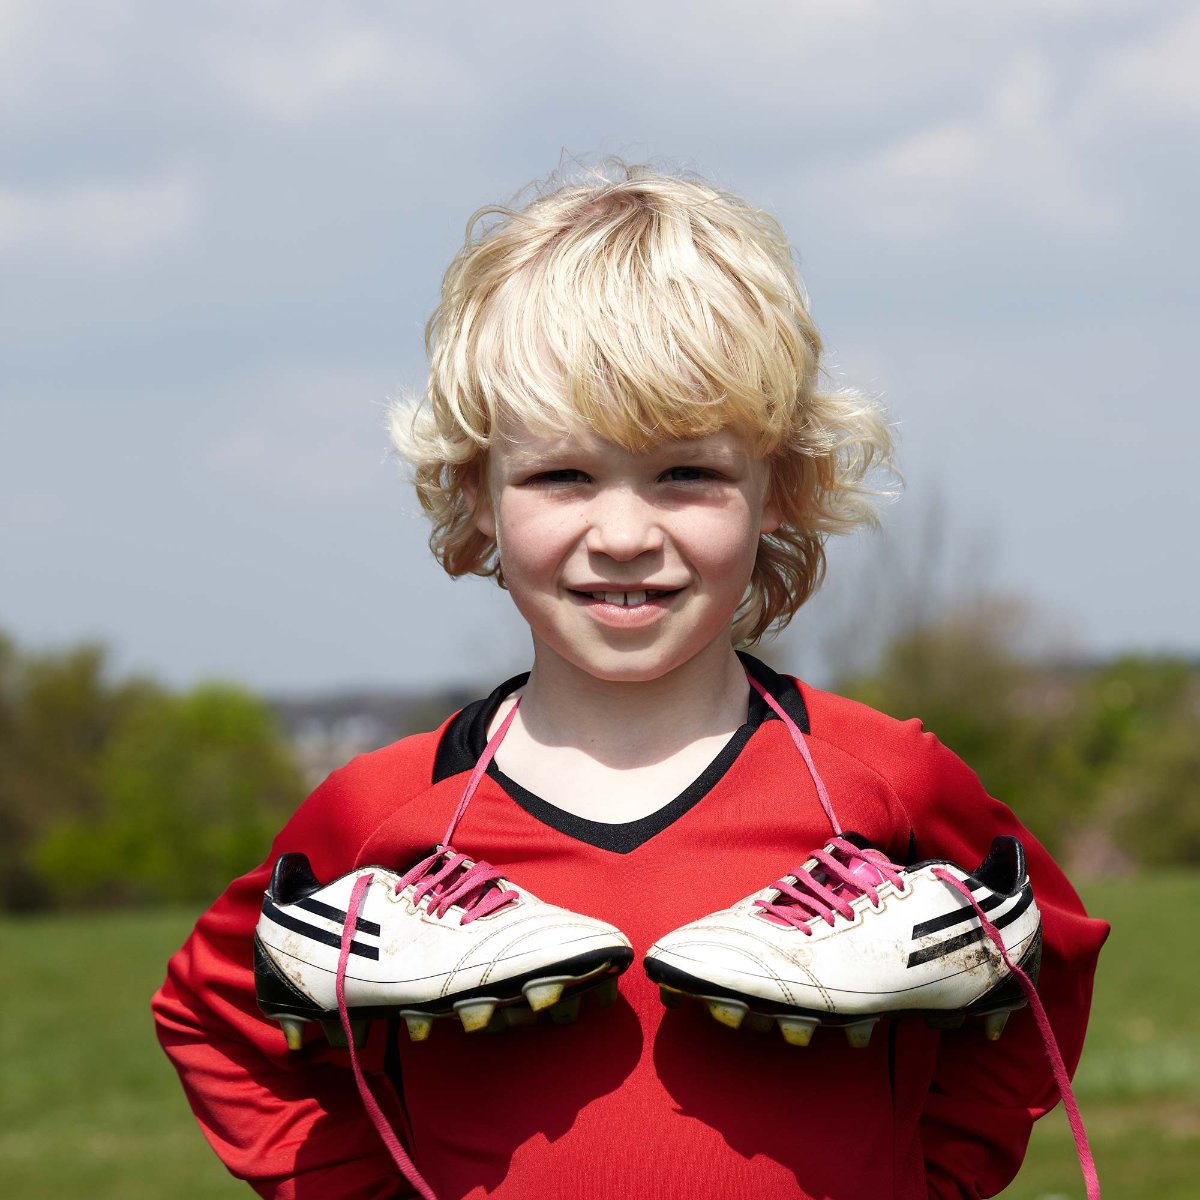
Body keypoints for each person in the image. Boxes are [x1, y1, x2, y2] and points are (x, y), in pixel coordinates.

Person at [153, 162, 1108, 1200]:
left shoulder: (883, 782)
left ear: (779, 488)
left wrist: (933, 1175)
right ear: (477, 492)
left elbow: (1044, 959)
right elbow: (216, 1013)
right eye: (562, 476)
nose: (621, 535)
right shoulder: (381, 814)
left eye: (686, 474)